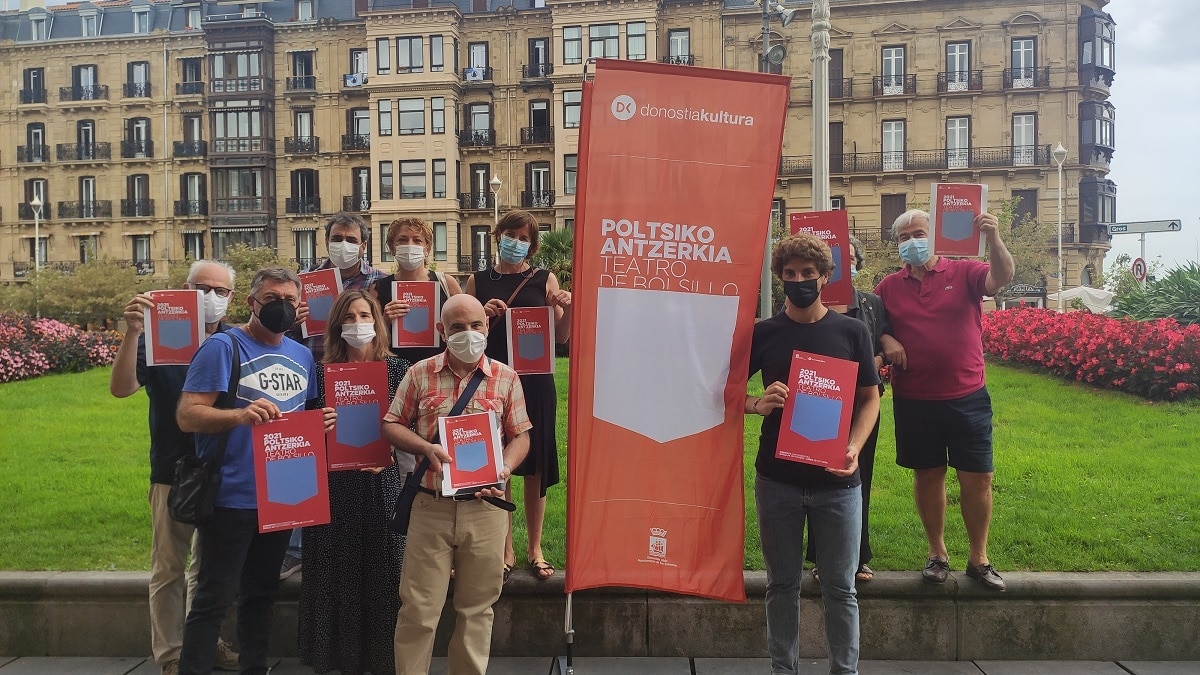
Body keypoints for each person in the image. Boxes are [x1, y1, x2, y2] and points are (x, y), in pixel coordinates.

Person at [176, 266, 336, 675]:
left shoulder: (302, 355)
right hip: (231, 496)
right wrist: (240, 415)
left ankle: (254, 668)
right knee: (214, 598)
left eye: (288, 300)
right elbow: (188, 415)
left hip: (284, 496)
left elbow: (304, 416)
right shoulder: (222, 348)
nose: (280, 307)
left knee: (261, 594)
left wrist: (322, 423)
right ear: (251, 304)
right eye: (270, 300)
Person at [747, 234, 881, 675]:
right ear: (779, 278)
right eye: (790, 274)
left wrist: (856, 447)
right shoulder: (763, 333)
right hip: (777, 479)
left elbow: (869, 398)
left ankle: (845, 671)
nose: (799, 281)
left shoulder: (852, 331)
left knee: (841, 589)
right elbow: (723, 391)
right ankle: (782, 669)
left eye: (808, 274)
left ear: (826, 277)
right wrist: (755, 403)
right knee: (781, 585)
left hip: (838, 482)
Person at [381, 294, 531, 675]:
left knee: (477, 610)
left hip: (485, 510)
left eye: (476, 325)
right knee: (418, 609)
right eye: (457, 327)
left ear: (486, 326)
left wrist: (505, 468)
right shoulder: (419, 373)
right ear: (441, 331)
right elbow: (391, 424)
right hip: (430, 506)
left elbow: (521, 435)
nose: (468, 333)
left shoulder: (506, 377)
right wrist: (425, 448)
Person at [109, 260, 240, 675]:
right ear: (184, 290)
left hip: (223, 470)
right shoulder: (156, 340)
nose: (211, 298)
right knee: (168, 566)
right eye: (203, 288)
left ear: (232, 298)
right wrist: (132, 332)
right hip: (172, 469)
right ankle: (170, 655)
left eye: (221, 291)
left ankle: (206, 642)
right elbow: (122, 388)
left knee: (209, 567)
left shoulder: (234, 343)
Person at [873, 209, 1014, 592]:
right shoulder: (887, 286)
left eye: (918, 233)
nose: (911, 242)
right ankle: (937, 553)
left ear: (933, 236)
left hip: (967, 396)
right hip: (915, 399)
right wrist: (886, 340)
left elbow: (999, 279)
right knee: (928, 475)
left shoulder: (965, 271)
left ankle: (979, 558)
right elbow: (873, 327)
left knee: (978, 477)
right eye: (903, 237)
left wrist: (995, 239)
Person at [298, 289, 409, 675]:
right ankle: (338, 660)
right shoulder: (318, 374)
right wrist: (317, 425)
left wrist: (395, 453)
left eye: (364, 316)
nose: (357, 324)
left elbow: (414, 430)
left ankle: (383, 661)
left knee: (385, 572)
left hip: (383, 485)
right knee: (336, 573)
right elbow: (298, 439)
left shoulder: (399, 370)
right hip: (334, 489)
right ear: (336, 327)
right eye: (348, 318)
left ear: (377, 323)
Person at [465, 209, 571, 581]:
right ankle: (506, 549)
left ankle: (535, 547)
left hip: (536, 381)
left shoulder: (544, 279)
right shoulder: (478, 281)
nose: (517, 242)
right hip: (493, 382)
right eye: (512, 234)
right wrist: (483, 314)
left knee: (536, 465)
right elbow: (464, 336)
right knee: (501, 463)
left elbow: (560, 338)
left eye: (525, 237)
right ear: (498, 236)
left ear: (533, 243)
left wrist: (565, 309)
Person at [286, 211, 387, 579]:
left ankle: (370, 537)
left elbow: (381, 328)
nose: (343, 245)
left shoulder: (380, 280)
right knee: (315, 458)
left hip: (365, 376)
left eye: (351, 239)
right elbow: (287, 336)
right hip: (315, 373)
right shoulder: (304, 281)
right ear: (326, 240)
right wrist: (291, 318)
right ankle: (301, 545)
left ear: (363, 244)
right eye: (337, 237)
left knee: (363, 455)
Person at [807, 237, 894, 584]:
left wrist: (883, 352)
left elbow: (884, 339)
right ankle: (819, 557)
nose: (847, 265)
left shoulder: (872, 304)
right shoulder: (810, 304)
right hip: (819, 402)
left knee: (858, 479)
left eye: (851, 258)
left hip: (862, 405)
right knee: (815, 481)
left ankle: (859, 557)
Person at [373, 216, 462, 363]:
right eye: (402, 240)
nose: (410, 245)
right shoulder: (378, 289)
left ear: (427, 248)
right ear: (391, 247)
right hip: (395, 368)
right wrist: (384, 321)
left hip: (439, 365)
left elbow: (464, 325)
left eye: (417, 240)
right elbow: (368, 340)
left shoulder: (447, 284)